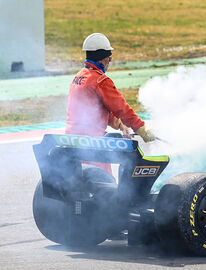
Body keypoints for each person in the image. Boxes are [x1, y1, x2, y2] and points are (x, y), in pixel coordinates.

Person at [66, 33, 156, 174]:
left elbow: (95, 111)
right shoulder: (101, 81)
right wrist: (141, 129)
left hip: (71, 141)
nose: (109, 62)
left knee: (78, 182)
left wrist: (121, 125)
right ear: (104, 59)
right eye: (110, 58)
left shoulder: (79, 77)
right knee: (105, 186)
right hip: (92, 144)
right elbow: (121, 109)